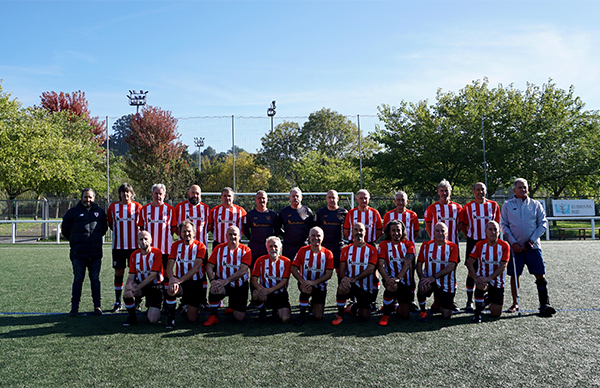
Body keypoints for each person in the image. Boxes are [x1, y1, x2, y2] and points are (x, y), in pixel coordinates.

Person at [500, 178, 556, 317]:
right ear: (514, 190)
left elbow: (542, 224)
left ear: (528, 189)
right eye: (520, 187)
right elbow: (504, 225)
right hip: (515, 248)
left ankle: (544, 303)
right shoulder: (507, 205)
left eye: (525, 187)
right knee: (514, 275)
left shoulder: (536, 205)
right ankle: (515, 303)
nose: (523, 190)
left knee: (540, 275)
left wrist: (531, 241)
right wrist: (513, 243)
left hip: (533, 247)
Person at [61, 188, 108, 316]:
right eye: (86, 197)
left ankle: (97, 306)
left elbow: (103, 229)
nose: (88, 200)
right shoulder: (73, 212)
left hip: (95, 253)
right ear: (81, 197)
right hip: (78, 254)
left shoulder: (100, 212)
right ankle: (74, 307)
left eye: (90, 197)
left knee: (95, 280)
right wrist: (75, 241)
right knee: (78, 280)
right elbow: (65, 229)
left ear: (94, 198)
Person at [458, 182, 501, 310]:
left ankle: (488, 299)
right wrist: (471, 237)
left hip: (490, 243)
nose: (480, 192)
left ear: (486, 191)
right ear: (473, 191)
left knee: (491, 269)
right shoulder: (468, 207)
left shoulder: (493, 206)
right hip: (474, 242)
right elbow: (464, 226)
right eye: (477, 189)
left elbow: (497, 224)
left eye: (482, 189)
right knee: (472, 271)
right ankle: (469, 301)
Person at [172, 184, 211, 308]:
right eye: (193, 193)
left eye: (197, 193)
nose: (195, 196)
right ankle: (184, 301)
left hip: (201, 248)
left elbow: (209, 226)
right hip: (183, 247)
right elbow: (174, 226)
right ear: (188, 194)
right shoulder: (179, 207)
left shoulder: (206, 208)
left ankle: (203, 299)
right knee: (181, 270)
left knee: (202, 273)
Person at [205, 225, 252, 326]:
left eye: (235, 234)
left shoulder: (246, 250)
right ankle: (213, 316)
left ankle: (233, 307)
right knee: (214, 288)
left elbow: (243, 270)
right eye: (230, 234)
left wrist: (227, 280)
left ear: (239, 236)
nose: (232, 236)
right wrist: (212, 280)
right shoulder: (219, 248)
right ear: (226, 236)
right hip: (222, 283)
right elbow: (209, 266)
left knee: (239, 318)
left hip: (240, 285)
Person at [343, 189, 383, 308]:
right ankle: (352, 299)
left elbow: (379, 231)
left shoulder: (374, 213)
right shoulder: (351, 213)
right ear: (357, 199)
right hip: (353, 245)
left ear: (369, 199)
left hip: (369, 245)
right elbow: (345, 230)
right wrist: (354, 241)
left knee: (374, 274)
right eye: (361, 198)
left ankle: (373, 300)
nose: (363, 200)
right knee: (351, 271)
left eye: (366, 198)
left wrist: (370, 242)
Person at [332, 223, 378, 325]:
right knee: (342, 288)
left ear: (365, 232)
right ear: (352, 232)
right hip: (350, 284)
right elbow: (342, 268)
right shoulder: (346, 249)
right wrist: (344, 279)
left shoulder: (372, 250)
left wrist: (355, 278)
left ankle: (352, 308)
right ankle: (340, 315)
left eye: (361, 230)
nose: (358, 232)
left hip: (365, 287)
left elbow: (371, 269)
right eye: (356, 230)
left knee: (365, 317)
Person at [164, 220, 207, 329]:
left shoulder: (201, 246)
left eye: (189, 231)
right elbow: (169, 265)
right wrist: (172, 280)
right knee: (171, 289)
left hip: (195, 283)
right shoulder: (175, 245)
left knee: (192, 320)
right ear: (180, 233)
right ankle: (171, 319)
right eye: (184, 231)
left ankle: (187, 305)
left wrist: (179, 280)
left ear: (194, 233)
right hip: (180, 281)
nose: (186, 234)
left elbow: (196, 268)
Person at [107, 183, 142, 312]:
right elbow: (111, 224)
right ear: (120, 194)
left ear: (132, 193)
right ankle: (118, 302)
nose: (125, 194)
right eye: (123, 192)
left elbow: (142, 224)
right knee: (119, 273)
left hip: (135, 247)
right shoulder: (112, 207)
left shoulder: (138, 207)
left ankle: (137, 302)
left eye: (128, 192)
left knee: (137, 274)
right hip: (118, 247)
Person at [466, 221, 510, 323]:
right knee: (481, 285)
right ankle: (477, 314)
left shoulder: (504, 246)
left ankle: (487, 299)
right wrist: (476, 278)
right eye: (490, 229)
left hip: (497, 280)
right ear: (485, 231)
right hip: (483, 278)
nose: (493, 232)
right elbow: (470, 262)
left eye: (495, 229)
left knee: (496, 314)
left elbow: (503, 265)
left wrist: (490, 278)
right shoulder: (480, 245)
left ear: (499, 231)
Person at [290, 227, 334, 326]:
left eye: (318, 235)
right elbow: (293, 268)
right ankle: (301, 315)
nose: (316, 238)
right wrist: (302, 281)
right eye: (313, 235)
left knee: (318, 317)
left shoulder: (328, 253)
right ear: (309, 237)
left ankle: (312, 304)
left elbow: (329, 274)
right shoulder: (302, 251)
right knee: (307, 288)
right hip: (305, 283)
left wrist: (314, 282)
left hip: (320, 286)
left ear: (323, 237)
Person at [416, 222, 459, 322]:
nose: (440, 233)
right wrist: (422, 278)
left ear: (447, 233)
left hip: (446, 283)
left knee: (446, 315)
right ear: (433, 233)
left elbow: (451, 266)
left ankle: (437, 303)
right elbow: (419, 264)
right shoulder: (426, 245)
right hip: (429, 280)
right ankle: (423, 312)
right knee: (422, 287)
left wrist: (434, 277)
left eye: (443, 231)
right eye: (437, 231)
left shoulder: (453, 247)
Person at [377, 220, 416, 325]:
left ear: (402, 231)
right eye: (393, 230)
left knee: (405, 315)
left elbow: (408, 263)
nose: (396, 233)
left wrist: (399, 277)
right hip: (390, 280)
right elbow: (380, 265)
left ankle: (394, 306)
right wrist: (388, 279)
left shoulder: (409, 244)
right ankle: (385, 314)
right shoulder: (384, 244)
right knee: (392, 286)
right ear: (389, 232)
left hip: (405, 282)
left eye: (398, 230)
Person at [122, 231, 164, 326]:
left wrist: (136, 288)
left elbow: (153, 275)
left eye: (146, 239)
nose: (144, 241)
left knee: (152, 320)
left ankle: (152, 308)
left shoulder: (157, 253)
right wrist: (129, 286)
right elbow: (131, 275)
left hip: (155, 287)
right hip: (141, 285)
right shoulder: (134, 255)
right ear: (137, 241)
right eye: (141, 239)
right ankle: (132, 317)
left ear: (151, 240)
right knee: (127, 293)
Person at [250, 236, 292, 323]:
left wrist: (269, 290)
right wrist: (261, 289)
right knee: (255, 293)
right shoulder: (260, 260)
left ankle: (277, 311)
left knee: (285, 319)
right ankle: (262, 311)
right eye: (270, 246)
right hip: (264, 292)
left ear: (280, 247)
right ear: (267, 248)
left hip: (280, 294)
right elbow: (253, 279)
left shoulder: (286, 261)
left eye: (275, 246)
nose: (273, 248)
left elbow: (284, 281)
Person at [243, 190, 281, 267]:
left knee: (268, 265)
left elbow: (277, 230)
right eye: (259, 198)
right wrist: (254, 239)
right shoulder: (250, 214)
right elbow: (245, 230)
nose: (261, 200)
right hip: (254, 245)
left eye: (263, 198)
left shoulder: (273, 215)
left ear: (267, 199)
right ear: (255, 200)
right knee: (253, 266)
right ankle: (253, 279)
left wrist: (270, 241)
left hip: (268, 246)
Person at [315, 189, 347, 277]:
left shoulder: (344, 212)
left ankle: (341, 290)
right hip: (323, 247)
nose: (331, 200)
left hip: (338, 247)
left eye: (333, 197)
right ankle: (320, 290)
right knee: (321, 272)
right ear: (326, 199)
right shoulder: (320, 212)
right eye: (329, 197)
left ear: (338, 199)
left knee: (341, 273)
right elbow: (315, 228)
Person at [278, 187, 315, 260]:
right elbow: (277, 227)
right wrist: (285, 235)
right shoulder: (284, 212)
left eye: (297, 196)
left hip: (303, 245)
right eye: (293, 196)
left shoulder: (307, 211)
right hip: (288, 246)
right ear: (289, 198)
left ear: (301, 197)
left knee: (303, 268)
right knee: (287, 268)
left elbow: (312, 227)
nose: (295, 198)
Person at [424, 179, 463, 245]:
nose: (444, 193)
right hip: (436, 245)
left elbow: (460, 225)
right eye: (441, 191)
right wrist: (435, 238)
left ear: (450, 191)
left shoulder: (458, 207)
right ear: (438, 192)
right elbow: (428, 227)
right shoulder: (431, 208)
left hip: (453, 244)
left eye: (446, 190)